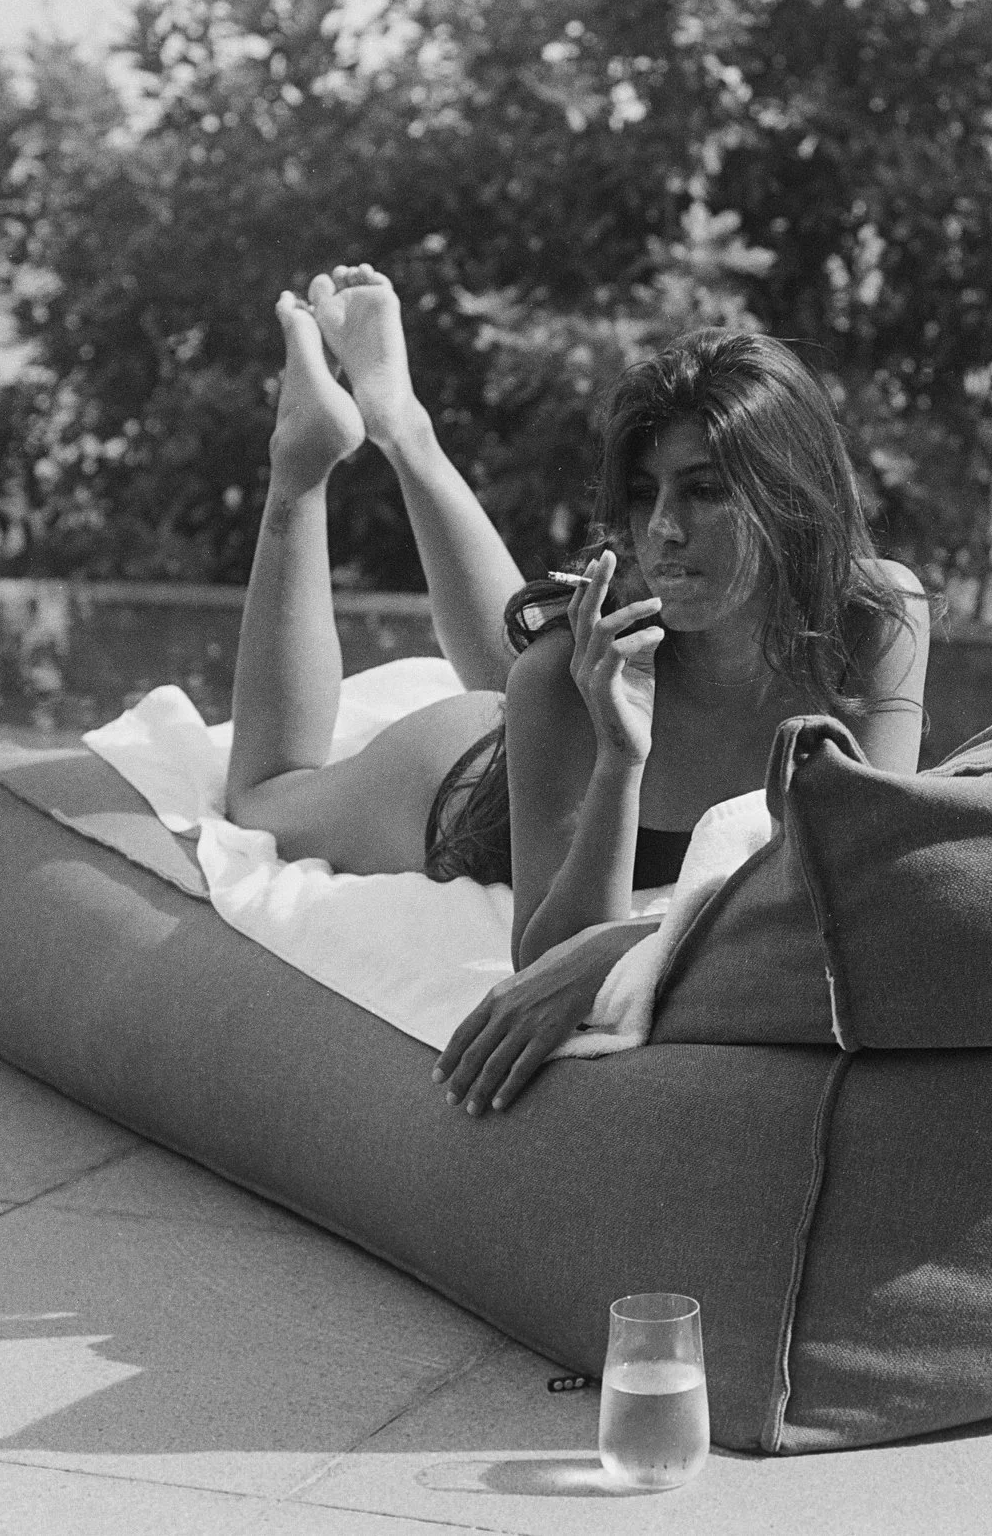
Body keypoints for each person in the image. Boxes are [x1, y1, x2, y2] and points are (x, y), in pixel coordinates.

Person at [225, 265, 931, 1113]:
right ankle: (302, 462)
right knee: (264, 798)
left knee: (543, 653)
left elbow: (869, 873)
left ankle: (401, 423)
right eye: (644, 495)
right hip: (467, 790)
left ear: (790, 496)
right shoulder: (560, 680)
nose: (664, 527)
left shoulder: (877, 618)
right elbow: (547, 957)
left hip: (586, 690)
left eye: (704, 490)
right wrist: (618, 763)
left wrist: (627, 945)